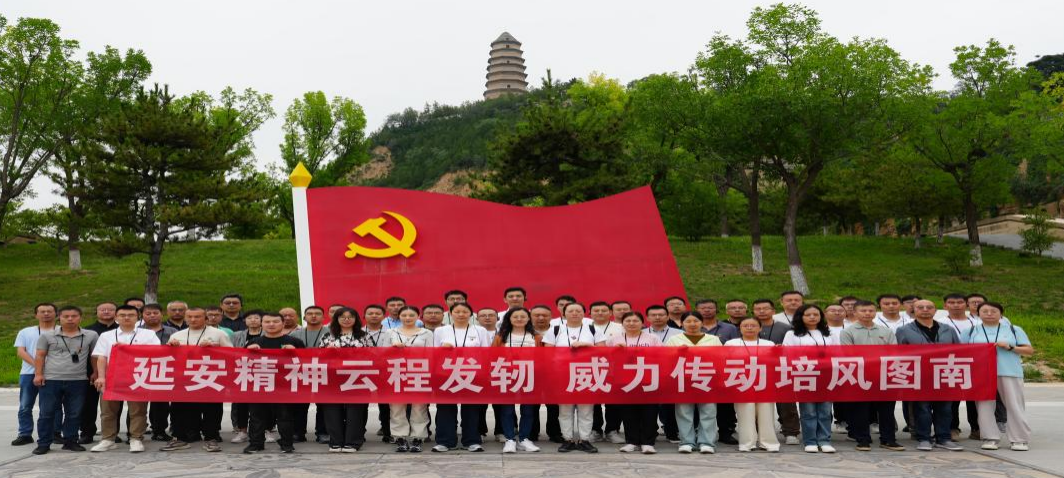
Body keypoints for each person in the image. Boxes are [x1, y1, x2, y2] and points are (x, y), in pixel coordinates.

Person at [161, 307, 233, 452]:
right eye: (190, 317)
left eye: (197, 317)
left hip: (210, 377)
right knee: (179, 409)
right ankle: (180, 438)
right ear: (185, 318)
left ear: (206, 318)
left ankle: (211, 438)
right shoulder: (178, 335)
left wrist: (214, 348)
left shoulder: (218, 334)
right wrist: (171, 348)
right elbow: (169, 358)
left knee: (211, 409)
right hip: (183, 379)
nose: (193, 320)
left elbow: (231, 354)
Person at [90, 305, 160, 453]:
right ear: (116, 317)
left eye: (131, 315)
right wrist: (101, 377)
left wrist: (128, 348)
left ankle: (136, 438)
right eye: (122, 315)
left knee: (138, 410)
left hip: (138, 377)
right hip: (112, 377)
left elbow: (155, 352)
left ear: (138, 318)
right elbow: (101, 357)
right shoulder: (107, 335)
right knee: (108, 410)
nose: (126, 317)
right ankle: (108, 439)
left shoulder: (148, 334)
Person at [896, 299, 964, 452]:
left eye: (929, 307)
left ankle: (944, 438)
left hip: (944, 373)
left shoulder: (948, 329)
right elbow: (899, 353)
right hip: (919, 375)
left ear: (935, 310)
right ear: (913, 310)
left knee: (945, 408)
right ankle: (924, 438)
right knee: (922, 408)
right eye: (920, 307)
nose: (925, 309)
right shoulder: (904, 330)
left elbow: (959, 351)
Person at [31, 305, 98, 455]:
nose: (70, 319)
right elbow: (40, 355)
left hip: (78, 380)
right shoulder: (47, 336)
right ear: (59, 318)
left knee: (74, 413)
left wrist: (95, 372)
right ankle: (43, 443)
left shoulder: (91, 335)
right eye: (66, 316)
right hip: (51, 380)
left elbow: (94, 355)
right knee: (47, 413)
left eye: (74, 316)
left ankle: (71, 441)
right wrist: (38, 374)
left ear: (80, 318)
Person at [839, 300, 904, 452]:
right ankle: (862, 439)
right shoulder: (848, 331)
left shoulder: (885, 331)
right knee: (861, 409)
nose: (867, 313)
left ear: (875, 312)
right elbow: (849, 354)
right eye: (863, 311)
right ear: (855, 312)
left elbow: (893, 352)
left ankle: (888, 439)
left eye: (870, 310)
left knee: (887, 409)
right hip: (860, 375)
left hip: (884, 375)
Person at [967, 302, 1032, 451]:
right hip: (981, 373)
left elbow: (1029, 350)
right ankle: (990, 438)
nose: (989, 314)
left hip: (1009, 371)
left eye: (993, 311)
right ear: (978, 313)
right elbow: (963, 351)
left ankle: (1019, 439)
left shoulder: (1014, 329)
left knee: (1014, 405)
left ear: (1001, 314)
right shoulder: (971, 331)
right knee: (984, 406)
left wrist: (1010, 347)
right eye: (985, 311)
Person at [242, 312, 304, 454]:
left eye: (275, 322)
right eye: (267, 322)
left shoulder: (294, 342)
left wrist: (295, 353)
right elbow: (241, 364)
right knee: (256, 416)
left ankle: (287, 443)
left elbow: (307, 363)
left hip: (284, 386)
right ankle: (256, 443)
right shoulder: (253, 342)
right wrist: (248, 352)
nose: (271, 324)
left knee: (285, 416)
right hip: (260, 384)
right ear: (262, 324)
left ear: (283, 323)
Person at [604, 311, 665, 454]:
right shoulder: (614, 339)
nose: (631, 323)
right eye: (628, 321)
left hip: (648, 379)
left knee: (649, 411)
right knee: (628, 412)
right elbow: (606, 359)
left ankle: (648, 442)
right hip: (624, 380)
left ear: (642, 323)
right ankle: (632, 441)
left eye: (635, 321)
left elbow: (662, 356)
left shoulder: (652, 338)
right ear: (622, 323)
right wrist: (615, 351)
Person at [432, 303, 490, 453]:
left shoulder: (480, 330)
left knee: (472, 409)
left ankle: (472, 441)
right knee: (445, 408)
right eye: (457, 311)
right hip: (446, 374)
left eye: (465, 311)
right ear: (450, 314)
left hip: (472, 374)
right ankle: (445, 441)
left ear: (471, 314)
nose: (461, 314)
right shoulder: (440, 330)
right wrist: (442, 350)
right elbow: (434, 353)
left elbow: (486, 353)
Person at [542, 302, 599, 453]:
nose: (574, 313)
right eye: (571, 311)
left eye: (578, 311)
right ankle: (567, 439)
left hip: (587, 373)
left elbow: (604, 350)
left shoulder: (593, 329)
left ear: (584, 313)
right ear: (564, 313)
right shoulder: (555, 330)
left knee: (586, 409)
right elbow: (547, 354)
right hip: (563, 375)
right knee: (565, 409)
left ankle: (584, 440)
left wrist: (587, 346)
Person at [782, 304, 837, 453]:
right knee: (809, 411)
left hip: (826, 375)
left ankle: (824, 440)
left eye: (816, 314)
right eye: (808, 315)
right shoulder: (792, 334)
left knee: (825, 410)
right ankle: (810, 441)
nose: (812, 317)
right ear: (801, 317)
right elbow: (787, 354)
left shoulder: (829, 333)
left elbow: (837, 352)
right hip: (805, 374)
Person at [665, 311, 721, 454]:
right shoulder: (674, 339)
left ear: (702, 322)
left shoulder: (713, 339)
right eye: (688, 321)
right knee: (684, 412)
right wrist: (677, 353)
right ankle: (686, 441)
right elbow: (665, 359)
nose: (692, 324)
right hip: (683, 380)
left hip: (707, 379)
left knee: (708, 411)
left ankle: (707, 442)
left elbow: (721, 358)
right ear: (682, 323)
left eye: (696, 321)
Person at [491, 307, 542, 453]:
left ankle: (524, 438)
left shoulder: (536, 337)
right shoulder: (500, 337)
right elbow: (493, 357)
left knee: (528, 410)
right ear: (509, 319)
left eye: (523, 316)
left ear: (528, 319)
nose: (519, 319)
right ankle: (510, 439)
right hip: (506, 376)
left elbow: (542, 358)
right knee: (507, 410)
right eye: (515, 317)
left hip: (529, 376)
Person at [725, 317, 779, 452]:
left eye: (753, 325)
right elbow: (725, 362)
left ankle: (768, 443)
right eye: (746, 325)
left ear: (760, 328)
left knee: (766, 414)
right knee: (745, 414)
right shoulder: (731, 343)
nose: (749, 328)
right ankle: (747, 443)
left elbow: (775, 363)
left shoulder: (769, 344)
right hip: (742, 382)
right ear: (740, 328)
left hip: (764, 382)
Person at [321, 307, 371, 452]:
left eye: (350, 317)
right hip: (332, 377)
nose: (346, 319)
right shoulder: (328, 336)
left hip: (356, 376)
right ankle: (335, 441)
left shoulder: (363, 336)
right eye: (342, 317)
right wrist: (327, 352)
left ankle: (353, 442)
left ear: (356, 319)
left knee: (355, 410)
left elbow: (373, 355)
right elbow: (319, 356)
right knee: (332, 409)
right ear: (336, 319)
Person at [387, 306, 434, 452]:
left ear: (418, 316)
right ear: (399, 316)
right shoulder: (390, 332)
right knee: (396, 406)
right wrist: (392, 349)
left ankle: (417, 438)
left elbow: (431, 354)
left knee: (419, 407)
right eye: (404, 315)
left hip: (419, 372)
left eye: (411, 315)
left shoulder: (426, 333)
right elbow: (382, 353)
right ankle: (399, 437)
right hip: (396, 372)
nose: (407, 318)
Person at [753, 298, 799, 445]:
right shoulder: (749, 326)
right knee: (758, 404)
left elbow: (793, 348)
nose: (761, 311)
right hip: (756, 370)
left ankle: (791, 432)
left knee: (786, 402)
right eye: (758, 309)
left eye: (765, 308)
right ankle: (759, 432)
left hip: (781, 369)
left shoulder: (786, 328)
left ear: (773, 311)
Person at [13, 303, 58, 447]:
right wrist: (38, 366)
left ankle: (55, 433)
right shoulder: (25, 332)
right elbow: (21, 352)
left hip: (54, 374)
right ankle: (25, 434)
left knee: (54, 406)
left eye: (49, 311)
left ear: (56, 314)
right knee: (25, 405)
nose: (46, 314)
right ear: (36, 315)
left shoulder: (61, 331)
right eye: (42, 311)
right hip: (28, 373)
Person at [936, 293, 980, 441]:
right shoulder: (939, 323)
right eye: (951, 302)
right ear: (945, 305)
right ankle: (952, 428)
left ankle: (976, 428)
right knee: (952, 400)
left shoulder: (977, 323)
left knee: (973, 399)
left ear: (966, 305)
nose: (956, 305)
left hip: (974, 365)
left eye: (959, 302)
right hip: (949, 365)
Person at [696, 299, 739, 445]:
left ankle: (726, 432)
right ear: (697, 310)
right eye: (703, 308)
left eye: (710, 308)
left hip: (723, 370)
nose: (707, 310)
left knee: (725, 404)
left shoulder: (729, 328)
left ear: (717, 310)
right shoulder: (692, 325)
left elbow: (735, 347)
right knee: (701, 403)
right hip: (699, 370)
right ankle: (700, 432)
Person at [289, 305, 330, 444]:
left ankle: (323, 432)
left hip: (324, 372)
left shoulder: (331, 333)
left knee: (323, 405)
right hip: (300, 373)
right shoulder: (295, 334)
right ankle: (298, 432)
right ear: (304, 317)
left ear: (323, 317)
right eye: (310, 313)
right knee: (299, 405)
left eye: (317, 313)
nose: (313, 316)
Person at [79, 302, 118, 444]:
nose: (106, 311)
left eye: (110, 309)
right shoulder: (87, 331)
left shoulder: (120, 330)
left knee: (113, 406)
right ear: (96, 312)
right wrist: (94, 371)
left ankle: (113, 433)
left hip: (115, 373)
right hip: (90, 373)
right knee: (88, 404)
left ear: (116, 312)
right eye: (102, 309)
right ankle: (87, 432)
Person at [138, 304, 177, 442]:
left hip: (164, 370)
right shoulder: (136, 331)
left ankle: (159, 431)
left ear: (162, 314)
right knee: (137, 404)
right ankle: (135, 433)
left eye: (155, 313)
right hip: (141, 370)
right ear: (142, 315)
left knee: (161, 404)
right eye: (148, 313)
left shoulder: (173, 331)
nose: (152, 316)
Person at [644, 305, 680, 443]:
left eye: (661, 315)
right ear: (647, 318)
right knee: (649, 405)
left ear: (668, 316)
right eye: (653, 315)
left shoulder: (679, 333)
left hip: (671, 373)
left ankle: (672, 432)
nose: (657, 317)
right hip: (646, 373)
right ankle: (650, 431)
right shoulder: (640, 333)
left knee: (669, 405)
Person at [588, 301, 622, 443]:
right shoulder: (584, 327)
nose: (600, 313)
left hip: (614, 368)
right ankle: (595, 430)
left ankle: (612, 430)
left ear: (610, 313)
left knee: (613, 401)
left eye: (604, 310)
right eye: (596, 311)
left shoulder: (620, 327)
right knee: (593, 401)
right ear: (590, 313)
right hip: (590, 368)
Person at [528, 304, 562, 443]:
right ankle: (532, 432)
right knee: (531, 404)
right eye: (537, 315)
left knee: (554, 405)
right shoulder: (524, 332)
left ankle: (554, 432)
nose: (541, 318)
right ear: (530, 317)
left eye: (545, 315)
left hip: (554, 374)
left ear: (551, 317)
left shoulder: (559, 331)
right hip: (530, 373)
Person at [230, 310, 264, 443]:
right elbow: (229, 351)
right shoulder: (237, 335)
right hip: (242, 372)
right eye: (250, 318)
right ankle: (242, 431)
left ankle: (266, 430)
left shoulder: (268, 334)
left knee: (264, 403)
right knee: (241, 403)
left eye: (256, 318)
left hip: (263, 372)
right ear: (244, 320)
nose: (253, 320)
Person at [363, 305, 393, 443]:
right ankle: (359, 432)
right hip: (363, 372)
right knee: (361, 404)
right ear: (364, 316)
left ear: (383, 316)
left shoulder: (391, 332)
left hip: (385, 372)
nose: (374, 315)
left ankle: (388, 432)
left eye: (377, 313)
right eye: (370, 313)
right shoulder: (358, 332)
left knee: (386, 404)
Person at [474, 306, 503, 441]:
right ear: (477, 318)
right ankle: (480, 431)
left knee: (501, 404)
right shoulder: (473, 333)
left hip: (501, 371)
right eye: (483, 315)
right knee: (480, 405)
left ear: (497, 318)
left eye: (491, 315)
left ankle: (501, 432)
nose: (487, 318)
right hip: (479, 373)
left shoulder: (505, 333)